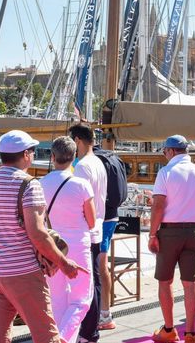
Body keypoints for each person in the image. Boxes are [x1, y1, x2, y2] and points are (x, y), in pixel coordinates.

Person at [0, 130, 81, 343]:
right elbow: (37, 234)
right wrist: (64, 262)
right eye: (32, 150)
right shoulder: (29, 185)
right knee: (47, 337)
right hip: (22, 273)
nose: (32, 155)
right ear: (25, 155)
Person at [149, 135, 195, 343]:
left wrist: (152, 234)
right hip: (194, 231)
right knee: (190, 283)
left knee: (165, 281)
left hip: (169, 232)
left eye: (164, 152)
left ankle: (169, 329)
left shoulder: (166, 172)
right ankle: (190, 333)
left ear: (170, 151)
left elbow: (158, 206)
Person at [40, 137, 97, 343]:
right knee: (82, 298)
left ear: (52, 157)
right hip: (78, 244)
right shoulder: (81, 184)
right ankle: (63, 337)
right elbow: (91, 221)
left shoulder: (40, 184)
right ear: (74, 158)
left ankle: (58, 336)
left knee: (57, 298)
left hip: (52, 244)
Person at [71, 124, 108, 343]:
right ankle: (90, 329)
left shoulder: (83, 166)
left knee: (86, 282)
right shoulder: (98, 164)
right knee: (93, 279)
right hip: (98, 225)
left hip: (86, 229)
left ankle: (88, 330)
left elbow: (82, 202)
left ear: (77, 140)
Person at [94, 150, 128, 332]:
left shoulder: (90, 161)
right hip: (111, 217)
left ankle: (104, 314)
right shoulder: (110, 157)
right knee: (101, 264)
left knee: (100, 265)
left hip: (99, 219)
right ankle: (104, 312)